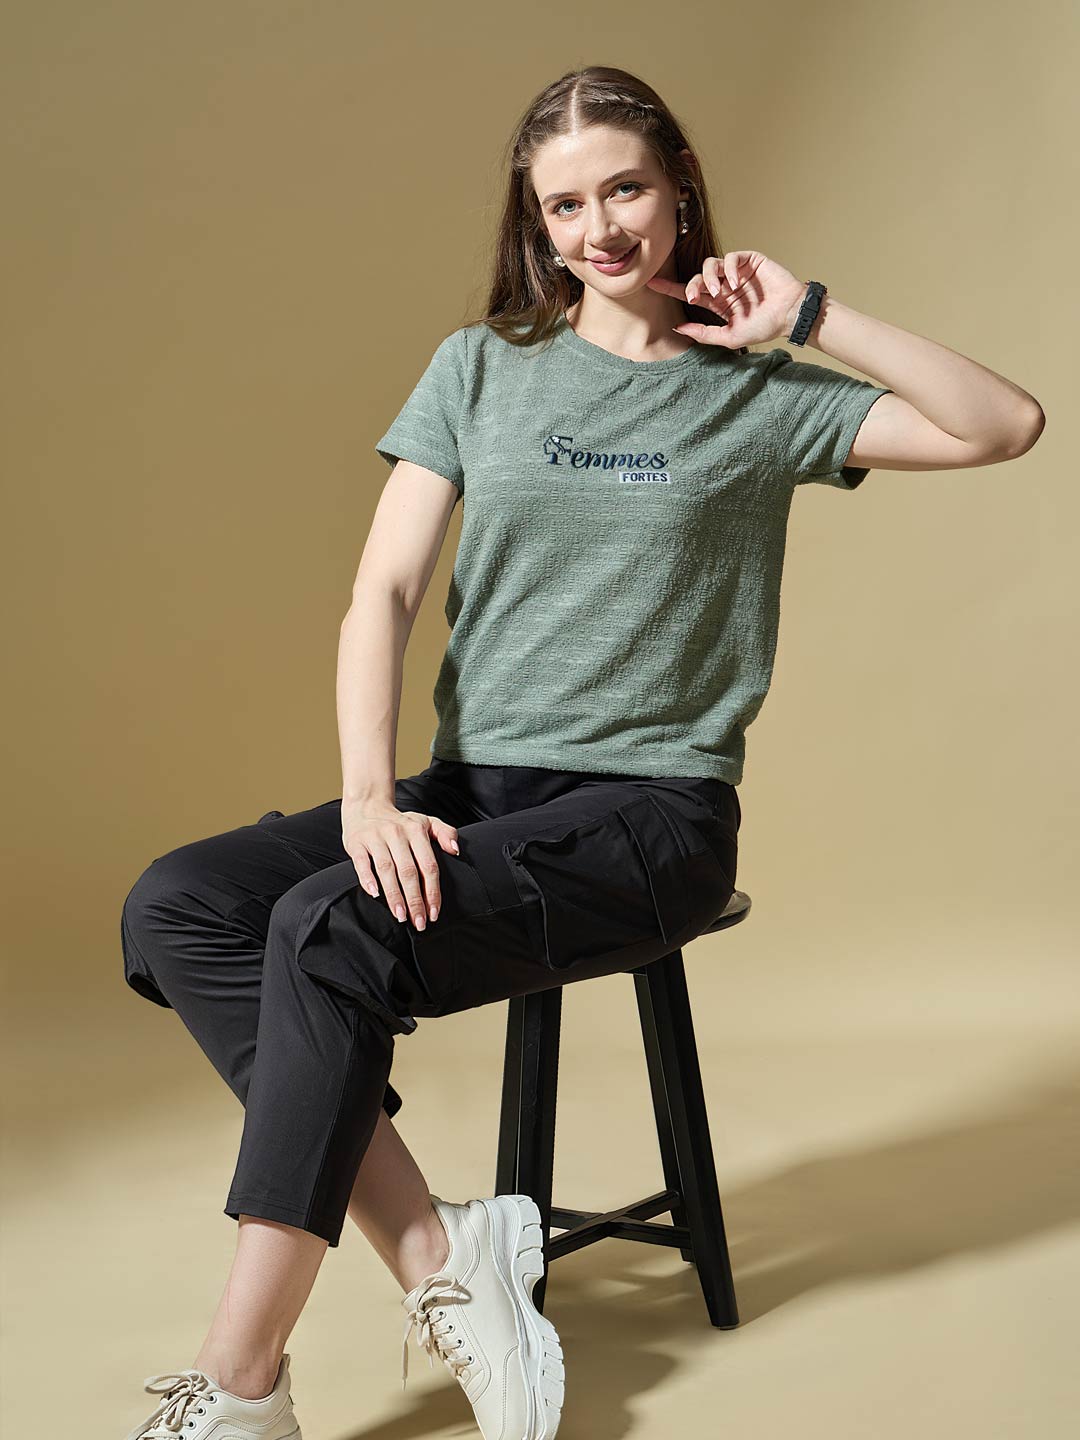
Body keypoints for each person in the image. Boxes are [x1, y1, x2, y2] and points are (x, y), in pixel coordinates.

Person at [118, 63, 1044, 1440]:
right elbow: (381, 593)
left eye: (624, 188)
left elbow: (1002, 425)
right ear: (537, 224)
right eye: (567, 204)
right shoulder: (478, 368)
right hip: (471, 790)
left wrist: (815, 315)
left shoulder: (760, 396)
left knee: (324, 933)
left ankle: (242, 1387)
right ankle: (444, 1254)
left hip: (650, 820)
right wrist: (373, 796)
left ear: (676, 191)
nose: (600, 225)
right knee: (183, 904)